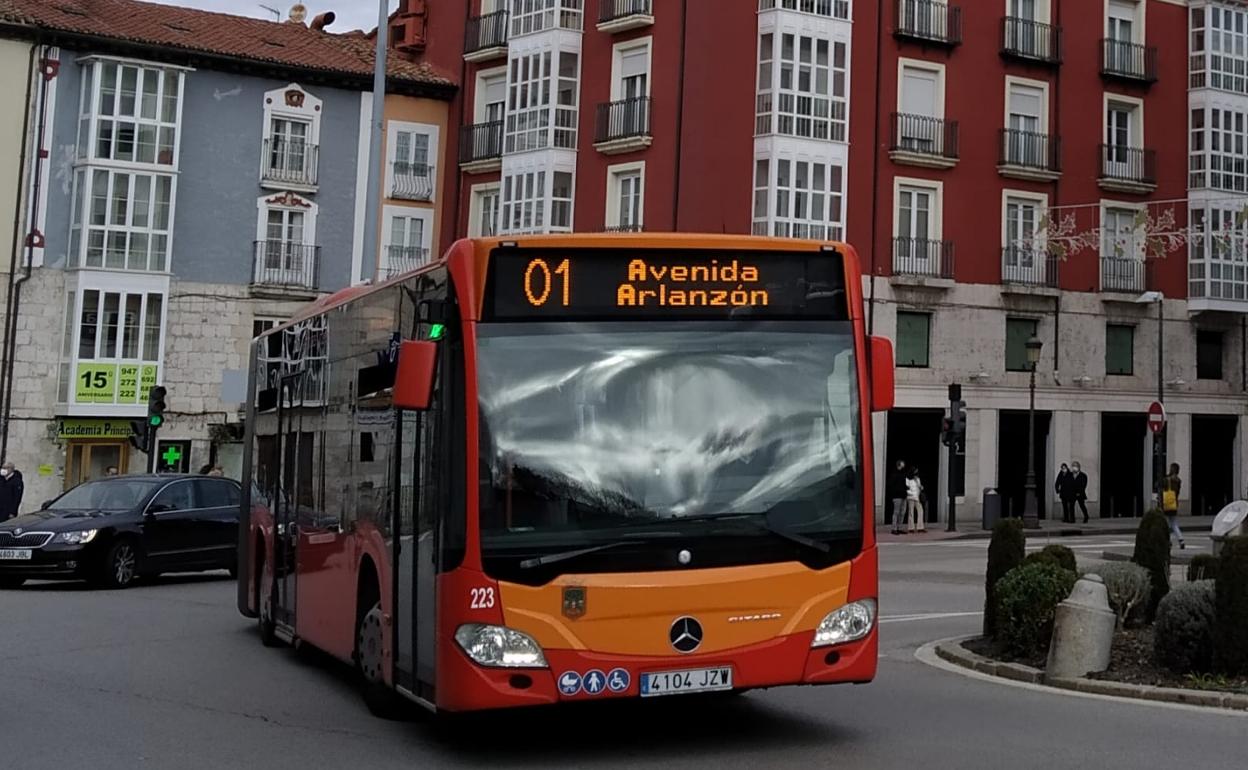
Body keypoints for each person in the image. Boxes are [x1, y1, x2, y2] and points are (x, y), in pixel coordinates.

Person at [1161, 462, 1184, 550]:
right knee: (1174, 523)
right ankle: (1181, 539)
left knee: (1166, 523)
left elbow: (1161, 488)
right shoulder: (1178, 480)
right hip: (1174, 503)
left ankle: (1168, 541)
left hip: (1166, 504)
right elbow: (1177, 492)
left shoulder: (1167, 480)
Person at [888, 460, 908, 535]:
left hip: (903, 495)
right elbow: (891, 484)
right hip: (896, 496)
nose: (904, 465)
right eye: (903, 464)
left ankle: (899, 527)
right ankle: (894, 528)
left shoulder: (903, 474)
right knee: (896, 512)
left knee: (902, 512)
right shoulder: (894, 474)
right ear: (899, 465)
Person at [905, 467, 926, 534]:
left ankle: (920, 527)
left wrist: (920, 487)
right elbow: (906, 489)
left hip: (917, 497)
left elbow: (920, 488)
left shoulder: (918, 479)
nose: (916, 474)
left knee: (920, 511)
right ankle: (911, 527)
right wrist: (912, 494)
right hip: (911, 497)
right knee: (911, 512)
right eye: (915, 472)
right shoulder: (907, 479)